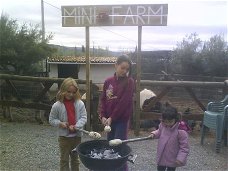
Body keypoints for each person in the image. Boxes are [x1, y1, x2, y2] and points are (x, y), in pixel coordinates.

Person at [99, 54, 135, 170]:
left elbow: (123, 103)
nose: (125, 71)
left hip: (121, 121)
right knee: (110, 145)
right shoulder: (108, 81)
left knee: (119, 147)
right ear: (116, 65)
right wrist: (103, 116)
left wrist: (112, 117)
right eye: (122, 68)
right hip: (109, 120)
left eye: (127, 69)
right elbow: (103, 100)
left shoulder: (130, 82)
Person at [49, 77, 87, 171]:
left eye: (73, 92)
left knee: (75, 159)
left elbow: (84, 117)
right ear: (63, 90)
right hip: (64, 138)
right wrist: (60, 123)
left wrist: (76, 126)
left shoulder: (80, 103)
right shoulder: (57, 105)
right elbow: (51, 119)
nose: (71, 94)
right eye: (68, 91)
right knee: (64, 160)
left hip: (76, 137)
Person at [150, 102, 189, 171]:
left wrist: (180, 158)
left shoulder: (180, 131)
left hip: (173, 158)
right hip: (162, 155)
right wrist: (154, 134)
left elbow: (184, 147)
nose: (167, 124)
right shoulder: (163, 125)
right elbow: (159, 131)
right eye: (165, 121)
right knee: (160, 169)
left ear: (176, 119)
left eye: (170, 121)